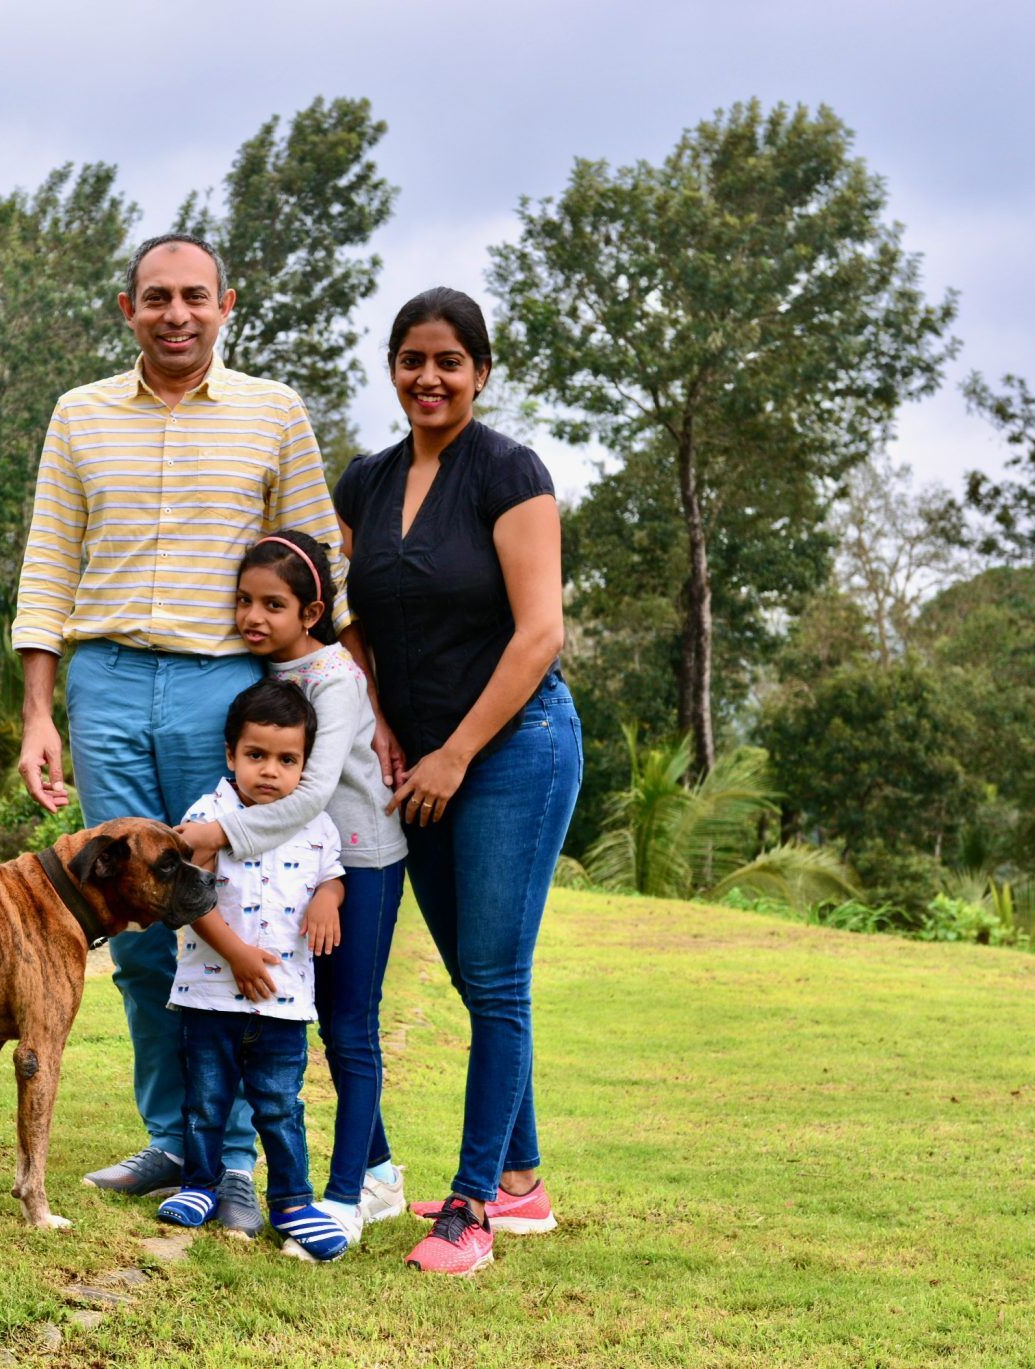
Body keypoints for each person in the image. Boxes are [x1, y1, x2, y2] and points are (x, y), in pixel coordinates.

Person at [10, 232, 354, 1235]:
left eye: (193, 297)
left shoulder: (272, 413)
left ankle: (237, 1160)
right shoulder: (79, 415)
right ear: (128, 310)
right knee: (131, 922)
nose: (175, 313)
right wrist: (39, 710)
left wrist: (333, 698)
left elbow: (314, 564)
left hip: (228, 691)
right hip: (108, 681)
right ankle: (174, 1137)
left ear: (225, 304)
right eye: (155, 297)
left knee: (234, 909)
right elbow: (46, 564)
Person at [331, 287, 580, 1276]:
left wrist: (455, 752)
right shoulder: (363, 480)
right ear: (391, 368)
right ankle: (520, 1182)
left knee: (491, 977)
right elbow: (347, 618)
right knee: (476, 976)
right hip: (416, 757)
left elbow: (539, 633)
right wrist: (387, 728)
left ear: (480, 371)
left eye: (448, 361)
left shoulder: (507, 471)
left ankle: (473, 1207)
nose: (427, 377)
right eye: (410, 359)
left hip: (510, 747)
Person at [175, 529, 409, 1246]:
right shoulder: (265, 670)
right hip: (300, 869)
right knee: (314, 1022)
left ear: (310, 612)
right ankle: (379, 1167)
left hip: (356, 859)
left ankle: (344, 1194)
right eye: (244, 600)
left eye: (272, 604)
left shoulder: (334, 678)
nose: (253, 616)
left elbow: (310, 796)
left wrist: (218, 836)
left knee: (348, 1028)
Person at [154, 678, 350, 1261]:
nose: (270, 771)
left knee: (281, 1106)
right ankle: (200, 1185)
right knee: (206, 1101)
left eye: (287, 759)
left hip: (284, 1003)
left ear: (305, 764)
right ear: (230, 755)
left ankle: (293, 1201)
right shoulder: (204, 818)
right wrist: (236, 954)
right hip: (209, 996)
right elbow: (188, 901)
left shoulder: (315, 823)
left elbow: (333, 877)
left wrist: (327, 899)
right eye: (256, 755)